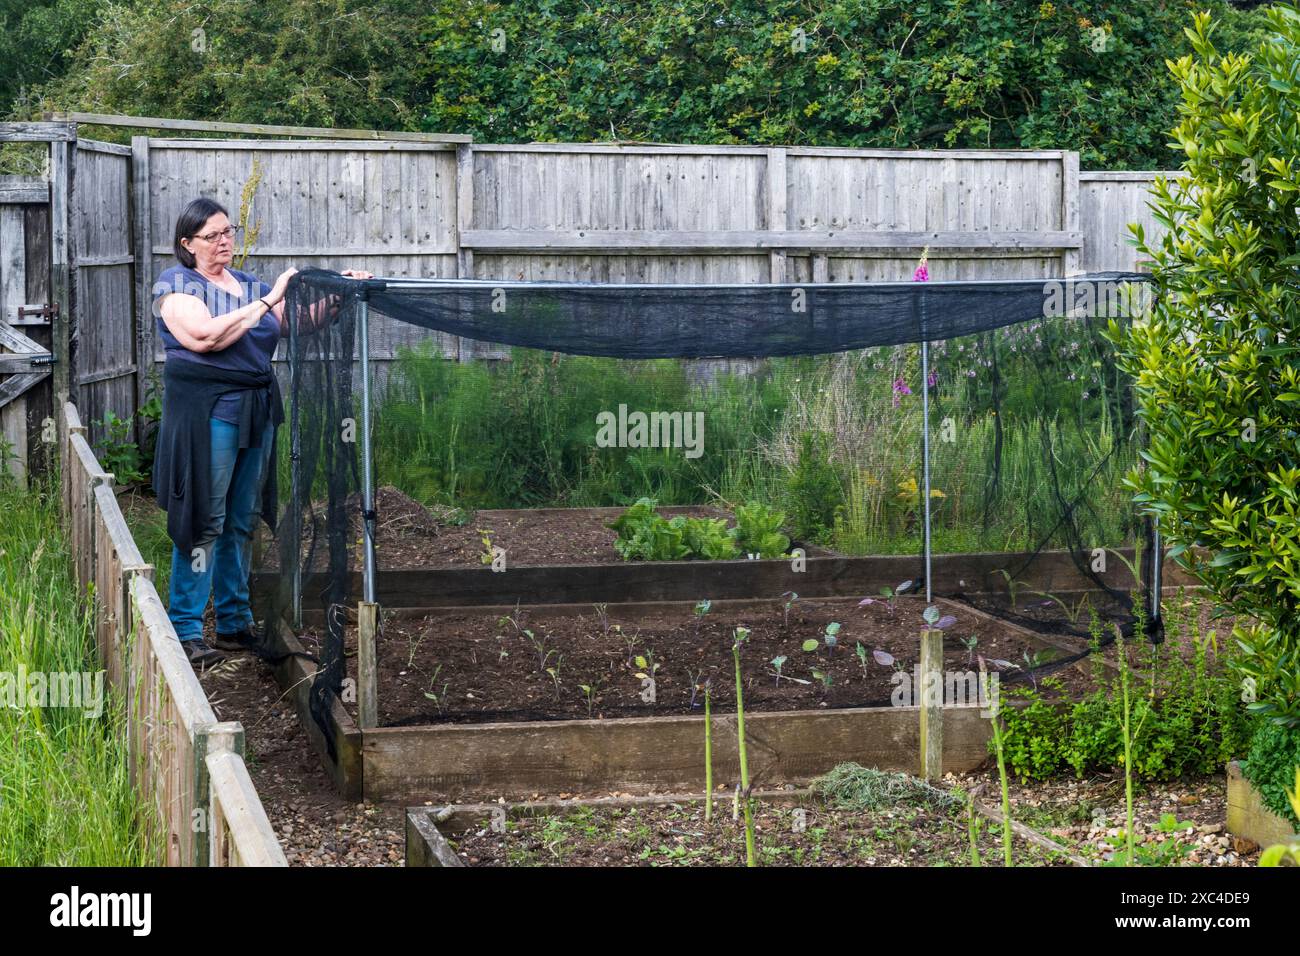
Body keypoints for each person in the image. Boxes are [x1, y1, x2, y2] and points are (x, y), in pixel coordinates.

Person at [151, 196, 372, 668]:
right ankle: (187, 630)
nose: (224, 240)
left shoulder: (247, 284)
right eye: (212, 235)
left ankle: (233, 624)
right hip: (209, 415)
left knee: (240, 520)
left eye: (228, 231)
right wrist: (269, 299)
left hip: (257, 410)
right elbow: (205, 336)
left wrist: (339, 297)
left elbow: (290, 324)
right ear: (187, 244)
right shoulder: (176, 287)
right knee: (203, 521)